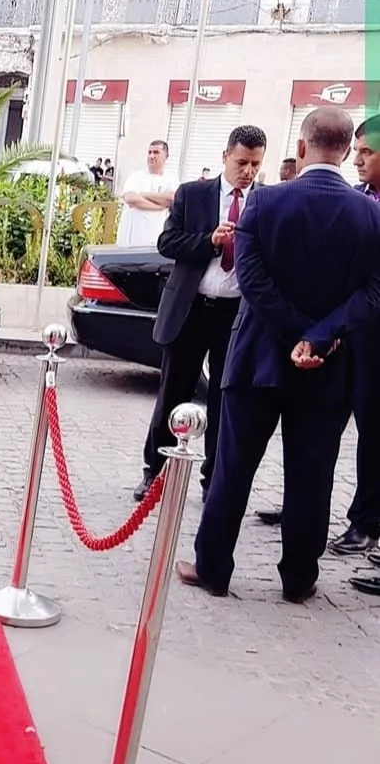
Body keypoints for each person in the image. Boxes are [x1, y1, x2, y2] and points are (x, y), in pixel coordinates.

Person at [176, 107, 380, 603]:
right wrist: (320, 337)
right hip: (327, 366)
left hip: (257, 360)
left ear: (302, 147)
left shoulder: (264, 202)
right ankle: (298, 578)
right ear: (345, 151)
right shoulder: (371, 214)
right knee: (313, 475)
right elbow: (373, 292)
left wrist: (295, 334)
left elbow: (251, 281)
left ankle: (213, 568)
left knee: (233, 468)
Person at [132, 126, 265, 503]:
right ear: (225, 156)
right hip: (190, 310)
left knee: (225, 400)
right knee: (173, 392)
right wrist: (210, 241)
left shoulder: (265, 200)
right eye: (242, 162)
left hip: (235, 315)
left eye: (255, 164)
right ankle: (154, 472)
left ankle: (213, 481)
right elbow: (167, 242)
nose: (248, 172)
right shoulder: (193, 194)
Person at [115, 140, 176, 246]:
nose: (151, 156)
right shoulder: (136, 176)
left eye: (156, 152)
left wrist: (143, 194)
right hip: (131, 242)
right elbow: (131, 199)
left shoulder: (171, 179)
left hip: (157, 241)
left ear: (166, 156)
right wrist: (159, 207)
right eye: (149, 152)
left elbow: (172, 199)